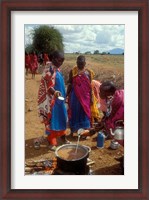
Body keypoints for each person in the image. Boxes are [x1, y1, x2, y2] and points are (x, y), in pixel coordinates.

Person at [37, 50, 69, 151]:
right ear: (53, 58)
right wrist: (54, 92)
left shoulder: (57, 69)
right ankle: (51, 141)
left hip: (60, 100)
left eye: (62, 60)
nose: (61, 62)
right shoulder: (49, 70)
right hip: (52, 101)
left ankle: (63, 137)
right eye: (59, 60)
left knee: (63, 118)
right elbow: (47, 85)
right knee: (52, 120)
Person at [66, 55, 99, 136]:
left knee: (85, 113)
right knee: (74, 112)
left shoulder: (89, 73)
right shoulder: (73, 71)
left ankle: (85, 132)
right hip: (75, 97)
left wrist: (91, 98)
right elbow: (70, 83)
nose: (80, 65)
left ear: (85, 63)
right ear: (76, 63)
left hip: (86, 97)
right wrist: (66, 95)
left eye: (82, 64)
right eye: (78, 63)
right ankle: (73, 131)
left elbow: (90, 86)